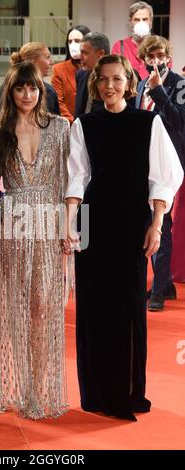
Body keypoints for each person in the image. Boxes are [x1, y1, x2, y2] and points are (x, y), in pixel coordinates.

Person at [65, 54, 183, 421]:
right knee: (95, 307)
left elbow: (166, 175)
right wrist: (69, 222)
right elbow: (76, 177)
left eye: (117, 79)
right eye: (103, 80)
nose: (110, 86)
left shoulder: (148, 123)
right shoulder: (84, 124)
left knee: (130, 307)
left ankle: (129, 392)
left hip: (133, 224)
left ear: (128, 82)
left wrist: (157, 224)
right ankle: (97, 392)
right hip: (94, 225)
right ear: (96, 84)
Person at [0, 62, 69, 419]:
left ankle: (40, 387)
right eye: (20, 89)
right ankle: (24, 389)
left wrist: (75, 230)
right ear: (11, 91)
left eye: (32, 88)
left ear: (41, 91)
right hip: (12, 226)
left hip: (50, 226)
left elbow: (73, 182)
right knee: (18, 310)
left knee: (43, 309)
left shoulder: (60, 127)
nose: (27, 95)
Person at [136, 35, 185, 311]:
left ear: (168, 57)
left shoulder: (179, 84)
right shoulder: (141, 84)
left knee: (162, 225)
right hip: (144, 163)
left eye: (159, 55)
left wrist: (159, 92)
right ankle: (164, 284)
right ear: (142, 60)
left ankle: (158, 289)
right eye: (149, 57)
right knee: (149, 223)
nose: (155, 61)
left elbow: (179, 122)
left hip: (169, 164)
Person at [0, 42, 60, 123]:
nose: (51, 62)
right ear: (32, 62)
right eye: (47, 57)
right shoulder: (47, 90)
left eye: (32, 89)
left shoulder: (7, 83)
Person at [52, 25, 90, 123]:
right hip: (69, 125)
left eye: (77, 41)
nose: (73, 44)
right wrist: (75, 123)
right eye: (70, 41)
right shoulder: (59, 69)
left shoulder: (94, 68)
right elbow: (58, 102)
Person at [112, 1, 153, 80]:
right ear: (130, 22)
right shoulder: (119, 47)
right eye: (137, 20)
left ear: (150, 21)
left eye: (145, 19)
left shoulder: (160, 47)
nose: (141, 23)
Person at [74, 32, 110, 119]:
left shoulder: (122, 77)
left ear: (100, 54)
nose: (80, 57)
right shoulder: (80, 74)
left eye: (85, 53)